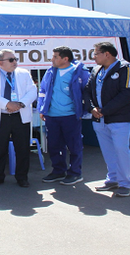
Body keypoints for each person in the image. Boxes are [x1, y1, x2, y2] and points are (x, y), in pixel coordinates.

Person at [83, 42, 130, 197]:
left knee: (121, 150)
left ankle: (126, 184)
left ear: (107, 54)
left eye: (95, 54)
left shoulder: (126, 68)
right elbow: (87, 91)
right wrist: (92, 108)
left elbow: (127, 93)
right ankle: (112, 179)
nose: (93, 57)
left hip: (119, 118)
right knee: (108, 150)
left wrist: (104, 110)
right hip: (99, 119)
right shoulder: (96, 70)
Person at [0, 49, 38, 188]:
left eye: (16, 59)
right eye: (11, 60)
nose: (15, 62)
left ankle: (22, 177)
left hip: (20, 116)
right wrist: (7, 104)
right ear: (0, 62)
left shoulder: (24, 73)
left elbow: (32, 91)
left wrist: (20, 104)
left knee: (23, 148)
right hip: (0, 117)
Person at [37, 46, 89, 185]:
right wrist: (42, 109)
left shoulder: (79, 73)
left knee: (74, 146)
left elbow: (87, 93)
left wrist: (83, 111)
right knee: (54, 145)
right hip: (52, 116)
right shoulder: (50, 71)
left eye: (55, 57)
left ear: (65, 59)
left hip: (71, 116)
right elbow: (42, 90)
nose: (52, 59)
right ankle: (58, 171)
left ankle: (75, 173)